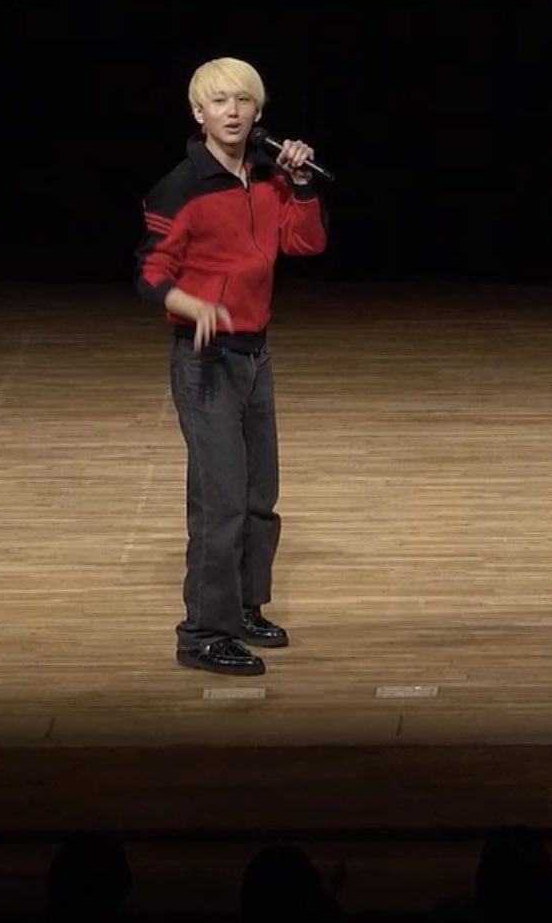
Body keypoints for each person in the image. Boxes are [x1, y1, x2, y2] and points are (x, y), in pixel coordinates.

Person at [134, 56, 328, 676]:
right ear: (199, 114)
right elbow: (149, 273)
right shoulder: (180, 188)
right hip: (206, 360)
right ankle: (201, 634)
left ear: (259, 111)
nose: (233, 111)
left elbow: (304, 242)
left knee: (258, 497)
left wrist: (302, 184)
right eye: (219, 101)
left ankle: (243, 609)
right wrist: (188, 303)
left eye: (244, 100)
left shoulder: (267, 178)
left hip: (255, 353)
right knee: (219, 503)